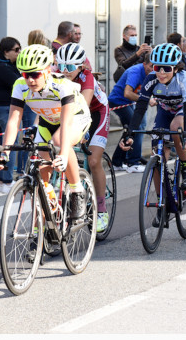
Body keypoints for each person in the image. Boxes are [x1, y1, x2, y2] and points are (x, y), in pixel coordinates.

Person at [0, 44, 92, 223]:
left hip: (75, 118)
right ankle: (41, 231)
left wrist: (62, 155)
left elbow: (67, 123)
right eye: (25, 74)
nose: (29, 80)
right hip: (48, 122)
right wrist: (5, 152)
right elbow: (14, 120)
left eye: (35, 74)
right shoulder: (19, 86)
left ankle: (77, 192)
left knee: (59, 141)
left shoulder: (62, 85)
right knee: (40, 178)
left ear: (46, 70)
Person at [120, 43, 186, 201]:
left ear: (176, 68)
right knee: (156, 156)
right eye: (158, 68)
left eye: (167, 68)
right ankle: (162, 201)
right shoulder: (151, 80)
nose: (162, 73)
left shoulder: (185, 80)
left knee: (176, 127)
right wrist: (130, 133)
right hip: (165, 111)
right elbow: (140, 108)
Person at [54, 43, 111, 232]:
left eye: (70, 67)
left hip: (95, 112)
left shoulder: (87, 79)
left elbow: (83, 108)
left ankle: (101, 210)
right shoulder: (57, 75)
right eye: (61, 66)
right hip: (68, 110)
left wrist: (83, 132)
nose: (65, 71)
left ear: (81, 66)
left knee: (94, 160)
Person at [0, 37, 34, 193]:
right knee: (11, 142)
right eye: (16, 50)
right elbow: (18, 82)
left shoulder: (8, 64)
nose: (19, 52)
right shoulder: (1, 68)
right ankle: (7, 180)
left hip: (8, 107)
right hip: (4, 108)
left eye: (20, 48)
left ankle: (3, 181)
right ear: (6, 52)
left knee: (8, 141)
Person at [108, 57, 155, 172]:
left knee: (130, 130)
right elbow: (127, 93)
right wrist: (146, 100)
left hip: (129, 102)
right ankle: (133, 163)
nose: (153, 69)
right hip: (118, 101)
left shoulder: (152, 73)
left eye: (155, 67)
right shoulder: (135, 72)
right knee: (137, 127)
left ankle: (117, 162)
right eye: (150, 66)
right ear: (144, 64)